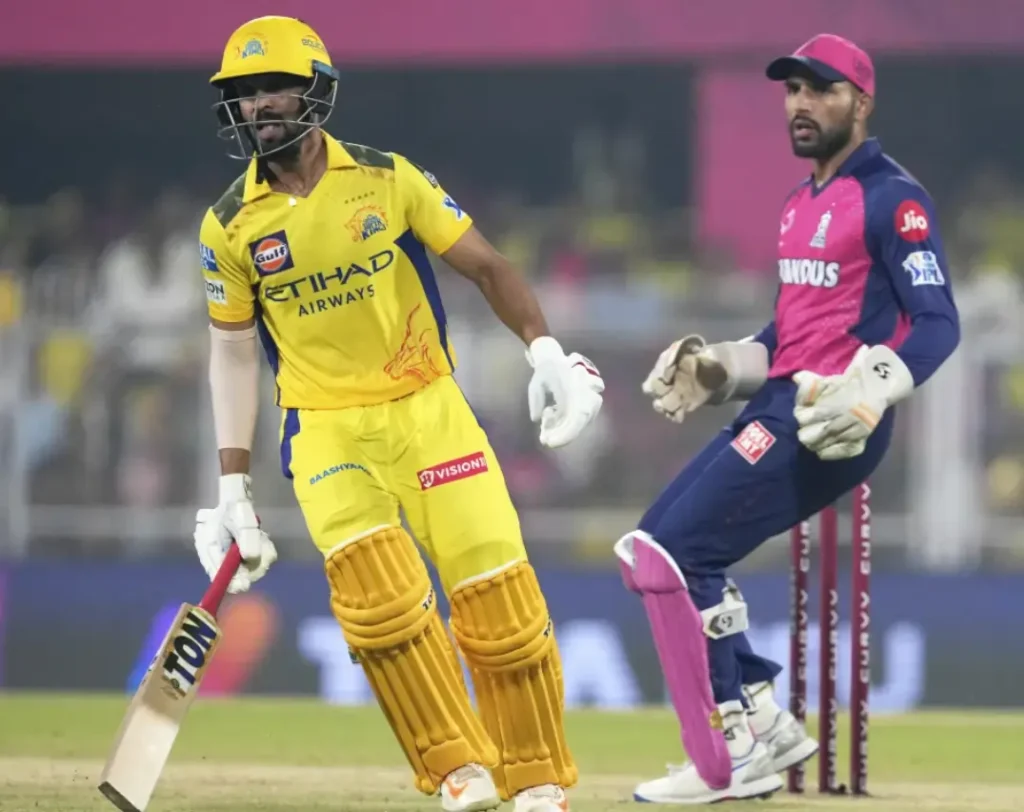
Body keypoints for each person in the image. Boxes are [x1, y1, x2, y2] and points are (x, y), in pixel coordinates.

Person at [192, 16, 604, 812]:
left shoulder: (388, 180)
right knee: (378, 606)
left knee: (499, 600)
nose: (259, 105)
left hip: (428, 410)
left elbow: (488, 266)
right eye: (243, 93)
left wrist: (546, 351)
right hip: (324, 428)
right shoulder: (229, 225)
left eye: (275, 87)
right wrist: (232, 487)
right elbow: (234, 353)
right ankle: (458, 769)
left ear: (317, 91)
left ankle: (536, 780)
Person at [617, 33, 960, 804]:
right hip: (775, 404)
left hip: (826, 422)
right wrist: (721, 368)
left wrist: (870, 391)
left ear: (861, 103)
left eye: (822, 89)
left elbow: (938, 323)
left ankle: (730, 749)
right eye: (793, 90)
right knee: (653, 550)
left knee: (672, 552)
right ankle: (760, 718)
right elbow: (787, 335)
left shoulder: (893, 199)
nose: (802, 104)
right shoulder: (799, 204)